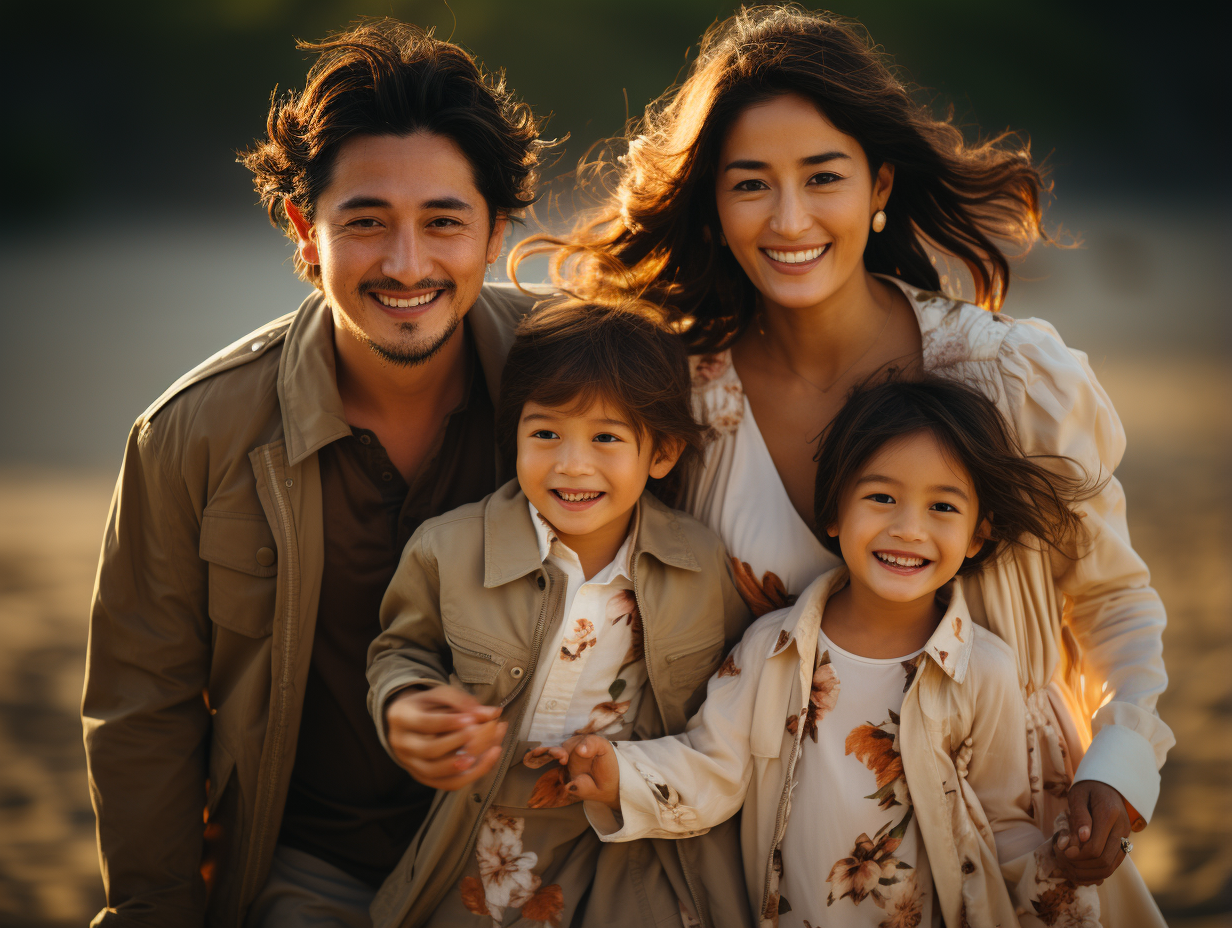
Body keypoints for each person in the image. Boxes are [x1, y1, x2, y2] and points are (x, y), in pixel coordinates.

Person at [513, 4, 1171, 893]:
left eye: (823, 177)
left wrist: (1118, 763)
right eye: (750, 184)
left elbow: (1114, 598)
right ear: (712, 201)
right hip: (786, 866)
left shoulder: (1012, 379)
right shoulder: (684, 411)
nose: (789, 220)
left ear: (881, 184)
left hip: (1018, 845)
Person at [82, 19, 547, 927]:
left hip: (534, 859)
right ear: (305, 230)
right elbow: (145, 706)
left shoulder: (576, 380)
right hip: (307, 869)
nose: (406, 264)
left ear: (495, 232)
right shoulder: (191, 435)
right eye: (365, 222)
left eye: (444, 222)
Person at [542, 378, 1165, 927]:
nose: (909, 528)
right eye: (881, 497)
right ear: (835, 512)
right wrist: (619, 774)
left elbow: (1000, 824)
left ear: (978, 534)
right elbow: (715, 765)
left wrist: (1061, 866)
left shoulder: (985, 671)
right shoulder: (771, 649)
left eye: (942, 507)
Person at [365, 300, 753, 928]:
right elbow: (399, 650)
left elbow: (732, 699)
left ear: (661, 453)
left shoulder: (701, 566)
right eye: (546, 433)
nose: (572, 463)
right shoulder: (449, 549)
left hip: (627, 840)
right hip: (479, 837)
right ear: (513, 433)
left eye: (606, 437)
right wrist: (405, 700)